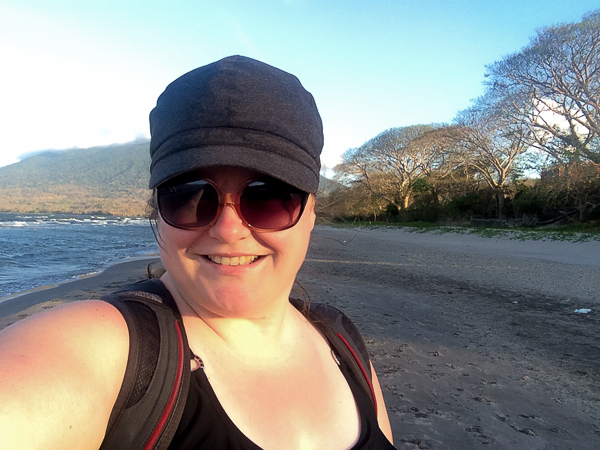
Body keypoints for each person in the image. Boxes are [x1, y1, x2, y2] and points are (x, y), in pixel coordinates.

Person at [0, 55, 394, 449]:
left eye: (269, 197)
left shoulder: (344, 342)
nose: (227, 230)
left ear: (310, 211)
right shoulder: (103, 350)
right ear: (157, 211)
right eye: (190, 197)